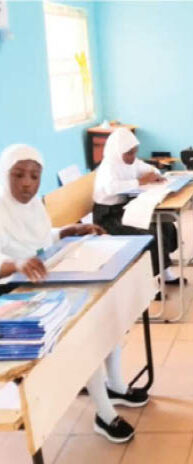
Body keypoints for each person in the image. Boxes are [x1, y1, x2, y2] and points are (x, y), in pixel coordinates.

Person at [0, 144, 149, 443]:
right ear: (5, 175)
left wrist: (68, 231)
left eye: (34, 176)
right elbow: (17, 256)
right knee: (83, 330)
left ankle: (115, 385)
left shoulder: (32, 206)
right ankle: (104, 414)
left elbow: (42, 238)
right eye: (18, 175)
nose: (27, 183)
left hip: (44, 281)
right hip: (13, 296)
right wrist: (16, 264)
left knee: (107, 310)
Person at [93, 128, 184, 295]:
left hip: (124, 210)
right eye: (128, 153)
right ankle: (150, 283)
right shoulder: (108, 166)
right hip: (108, 216)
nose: (132, 157)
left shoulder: (131, 162)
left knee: (165, 225)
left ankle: (164, 271)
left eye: (134, 152)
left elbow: (148, 169)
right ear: (117, 151)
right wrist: (139, 181)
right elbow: (111, 188)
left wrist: (154, 174)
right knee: (150, 234)